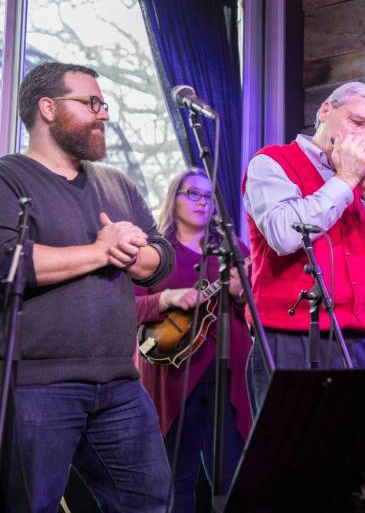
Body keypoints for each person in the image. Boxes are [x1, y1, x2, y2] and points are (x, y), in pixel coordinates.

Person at [0, 62, 174, 512]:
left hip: (120, 384)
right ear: (48, 108)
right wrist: (101, 251)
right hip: (37, 385)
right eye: (90, 102)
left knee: (149, 502)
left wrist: (130, 251)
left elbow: (160, 258)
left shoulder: (117, 184)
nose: (103, 114)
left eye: (103, 103)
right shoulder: (9, 178)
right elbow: (8, 262)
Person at [242, 81, 365, 408]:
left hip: (363, 335)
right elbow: (285, 235)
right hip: (291, 333)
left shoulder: (364, 182)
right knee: (296, 450)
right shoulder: (271, 162)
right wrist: (345, 180)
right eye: (357, 122)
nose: (363, 136)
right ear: (325, 111)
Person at [134, 169, 252, 512]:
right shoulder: (155, 252)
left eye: (208, 196)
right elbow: (128, 305)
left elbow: (253, 309)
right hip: (174, 375)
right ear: (175, 198)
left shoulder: (233, 248)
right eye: (193, 194)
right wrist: (167, 298)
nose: (202, 202)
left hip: (228, 374)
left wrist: (240, 292)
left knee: (232, 475)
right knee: (176, 479)